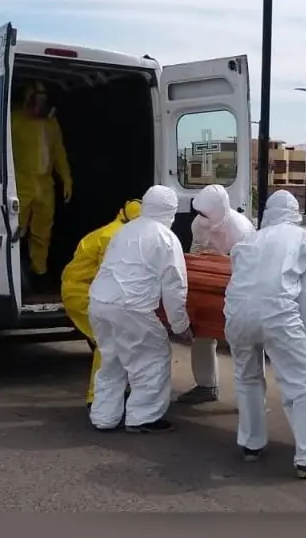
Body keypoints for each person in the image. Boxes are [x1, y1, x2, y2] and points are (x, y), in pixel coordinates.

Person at [224, 190, 306, 479]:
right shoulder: (305, 240)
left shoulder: (248, 241)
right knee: (299, 385)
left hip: (237, 314)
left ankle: (251, 445)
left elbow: (238, 280)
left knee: (247, 379)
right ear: (295, 212)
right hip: (279, 314)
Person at [88, 185, 193, 433]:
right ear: (171, 211)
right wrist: (181, 326)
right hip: (131, 307)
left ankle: (104, 417)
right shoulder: (166, 238)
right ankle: (143, 417)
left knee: (112, 360)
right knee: (151, 358)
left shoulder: (124, 231)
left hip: (99, 303)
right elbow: (175, 287)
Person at [61, 199, 143, 411]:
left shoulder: (114, 230)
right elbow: (112, 276)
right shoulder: (114, 237)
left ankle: (112, 393)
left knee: (112, 342)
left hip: (82, 289)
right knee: (107, 344)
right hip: (82, 294)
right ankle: (96, 399)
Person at [177, 184, 255, 405]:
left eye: (205, 214)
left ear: (220, 210)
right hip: (211, 289)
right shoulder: (198, 223)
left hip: (241, 291)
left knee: (244, 345)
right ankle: (206, 385)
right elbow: (195, 252)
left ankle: (248, 401)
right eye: (199, 213)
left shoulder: (241, 229)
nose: (201, 218)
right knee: (202, 335)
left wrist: (219, 262)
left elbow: (248, 268)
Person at [11, 80, 72, 292]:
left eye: (44, 98)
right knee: (15, 230)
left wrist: (66, 179)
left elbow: (58, 153)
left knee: (42, 233)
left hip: (45, 184)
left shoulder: (51, 123)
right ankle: (13, 273)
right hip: (20, 183)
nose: (40, 104)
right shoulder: (13, 120)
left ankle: (39, 274)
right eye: (37, 98)